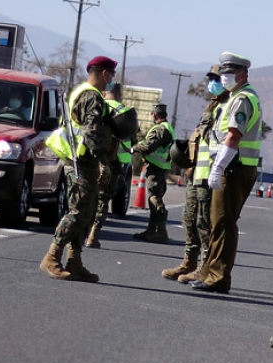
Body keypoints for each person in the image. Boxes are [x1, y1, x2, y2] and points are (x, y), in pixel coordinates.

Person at [39, 55, 117, 282]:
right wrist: (104, 163)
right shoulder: (92, 96)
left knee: (88, 211)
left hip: (82, 161)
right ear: (104, 73)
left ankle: (75, 260)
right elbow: (92, 132)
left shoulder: (80, 91)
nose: (111, 79)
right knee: (78, 211)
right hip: (81, 162)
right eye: (111, 74)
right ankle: (52, 256)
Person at [190, 52, 263, 294]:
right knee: (218, 222)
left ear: (242, 75)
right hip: (233, 165)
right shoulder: (237, 96)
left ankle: (219, 277)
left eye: (229, 74)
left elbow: (233, 136)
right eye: (223, 74)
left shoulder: (242, 99)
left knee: (223, 223)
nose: (224, 78)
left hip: (233, 167)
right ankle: (209, 273)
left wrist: (219, 166)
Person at [162, 67, 230, 281]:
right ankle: (189, 263)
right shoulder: (211, 107)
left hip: (210, 176)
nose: (212, 84)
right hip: (197, 174)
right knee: (189, 219)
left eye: (217, 80)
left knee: (204, 223)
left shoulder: (227, 107)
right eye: (210, 80)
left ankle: (204, 267)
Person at [85, 84, 136, 249]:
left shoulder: (99, 107)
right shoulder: (126, 113)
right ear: (119, 94)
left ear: (105, 92)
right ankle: (94, 234)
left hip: (93, 159)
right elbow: (133, 138)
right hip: (116, 162)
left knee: (88, 197)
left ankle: (82, 232)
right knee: (103, 199)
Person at [131, 104, 175, 243]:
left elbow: (149, 146)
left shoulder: (160, 129)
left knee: (155, 198)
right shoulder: (168, 128)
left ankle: (161, 232)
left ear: (154, 115)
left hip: (156, 168)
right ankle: (151, 230)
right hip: (159, 168)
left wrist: (134, 148)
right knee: (153, 198)